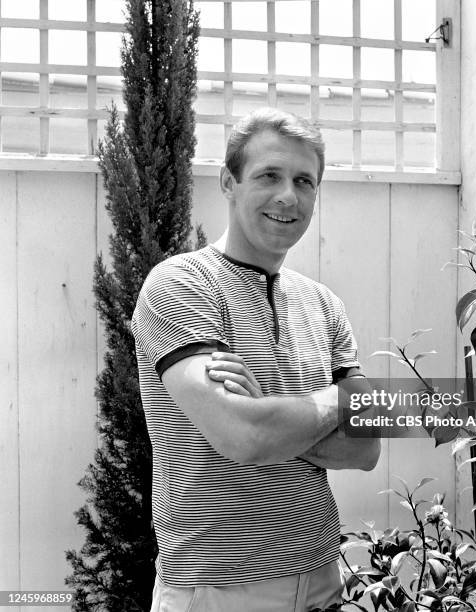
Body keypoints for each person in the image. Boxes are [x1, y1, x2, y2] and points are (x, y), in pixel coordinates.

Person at [131, 107, 381, 612]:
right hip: (218, 588)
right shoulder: (180, 285)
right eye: (269, 175)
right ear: (229, 181)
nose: (288, 196)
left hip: (321, 580)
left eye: (304, 181)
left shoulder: (323, 303)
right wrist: (339, 400)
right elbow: (244, 436)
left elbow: (366, 448)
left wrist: (266, 410)